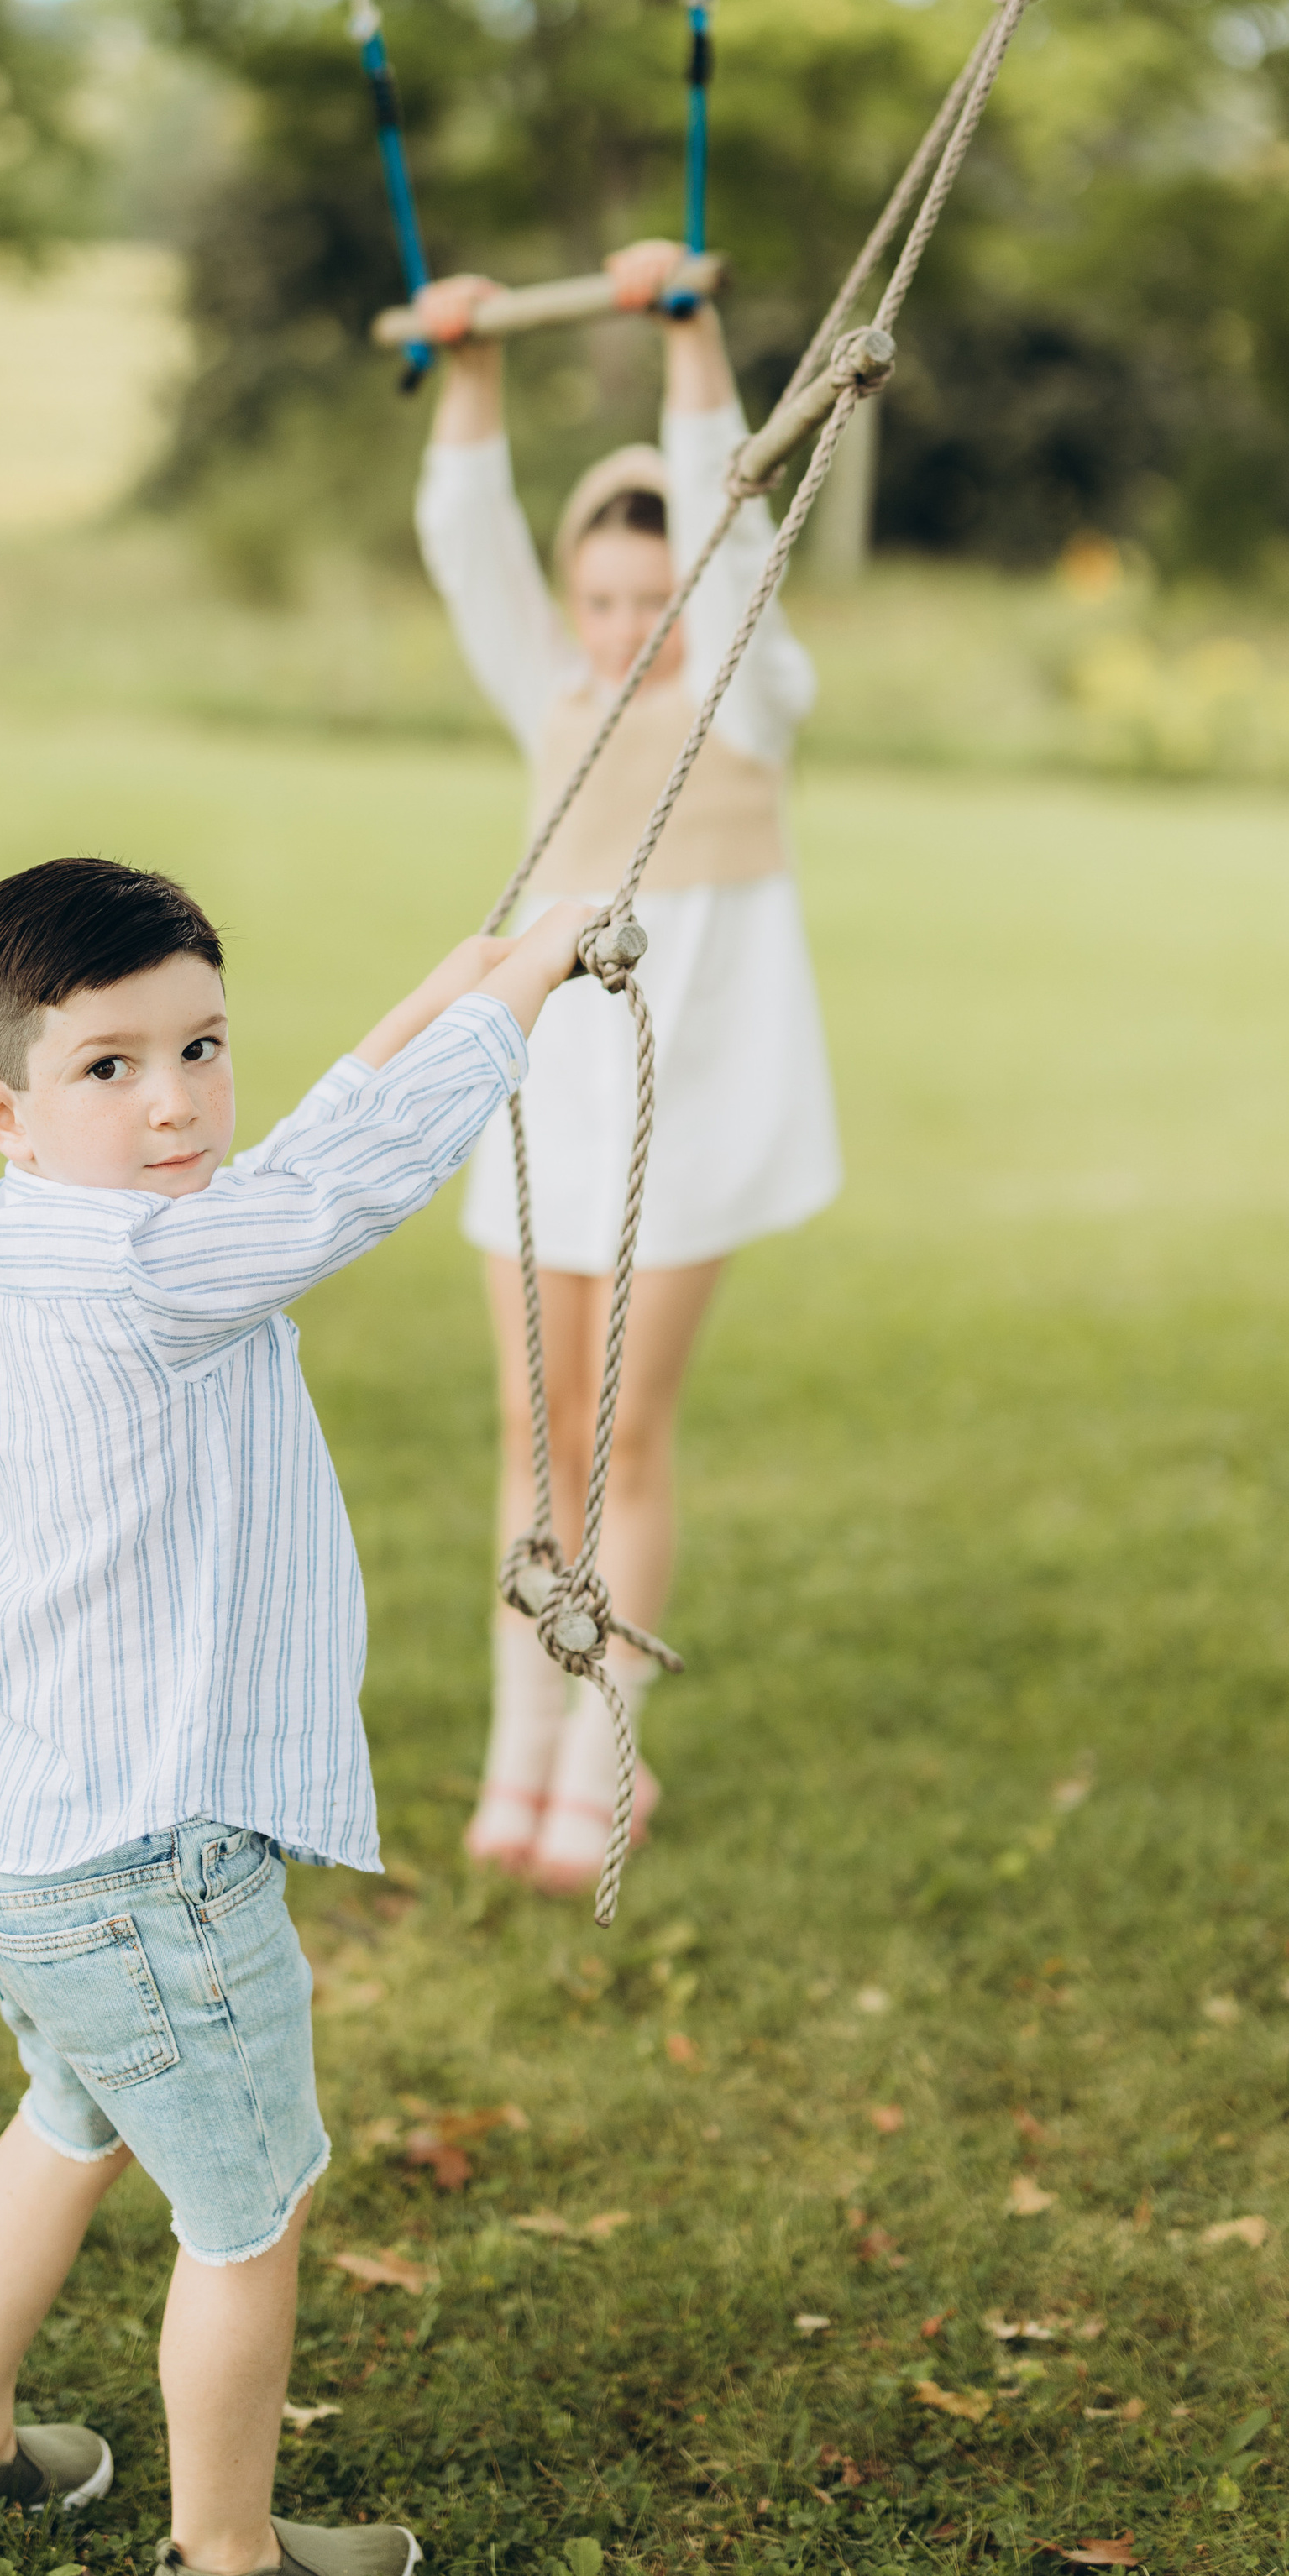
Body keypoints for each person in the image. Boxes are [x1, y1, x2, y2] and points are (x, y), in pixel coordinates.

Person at [0, 853, 588, 2576]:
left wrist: (445, 983)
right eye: (110, 1068)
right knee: (245, 2213)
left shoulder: (46, 1225)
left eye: (202, 1048)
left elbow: (302, 1153)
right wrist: (527, 992)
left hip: (23, 1836)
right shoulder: (153, 1274)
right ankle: (229, 2562)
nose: (174, 1101)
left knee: (66, 2116)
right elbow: (354, 1190)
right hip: (146, 1860)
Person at [411, 238, 842, 1896]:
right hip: (543, 1113)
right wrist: (468, 364)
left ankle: (603, 1753)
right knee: (532, 1432)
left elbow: (722, 519)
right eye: (592, 599)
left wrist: (688, 339)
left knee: (623, 1441)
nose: (615, 630)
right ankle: (516, 1754)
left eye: (643, 604)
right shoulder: (551, 697)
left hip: (686, 1122)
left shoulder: (747, 700)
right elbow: (466, 549)